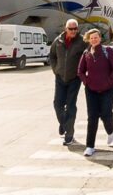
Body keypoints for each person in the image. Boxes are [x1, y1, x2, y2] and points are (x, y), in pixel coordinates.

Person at [77, 28, 113, 157]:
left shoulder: (108, 51)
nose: (94, 39)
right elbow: (80, 71)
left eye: (96, 37)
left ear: (100, 38)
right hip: (91, 91)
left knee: (106, 114)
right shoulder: (86, 53)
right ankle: (90, 146)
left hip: (108, 89)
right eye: (91, 38)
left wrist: (109, 81)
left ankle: (110, 131)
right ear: (88, 39)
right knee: (92, 117)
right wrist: (86, 82)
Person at [49, 18, 87, 146]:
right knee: (57, 104)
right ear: (66, 29)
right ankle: (64, 123)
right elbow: (52, 56)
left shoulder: (82, 41)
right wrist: (55, 70)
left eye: (75, 28)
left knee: (70, 106)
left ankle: (69, 134)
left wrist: (82, 72)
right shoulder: (58, 41)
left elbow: (89, 56)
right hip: (60, 77)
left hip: (74, 79)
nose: (73, 31)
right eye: (71, 29)